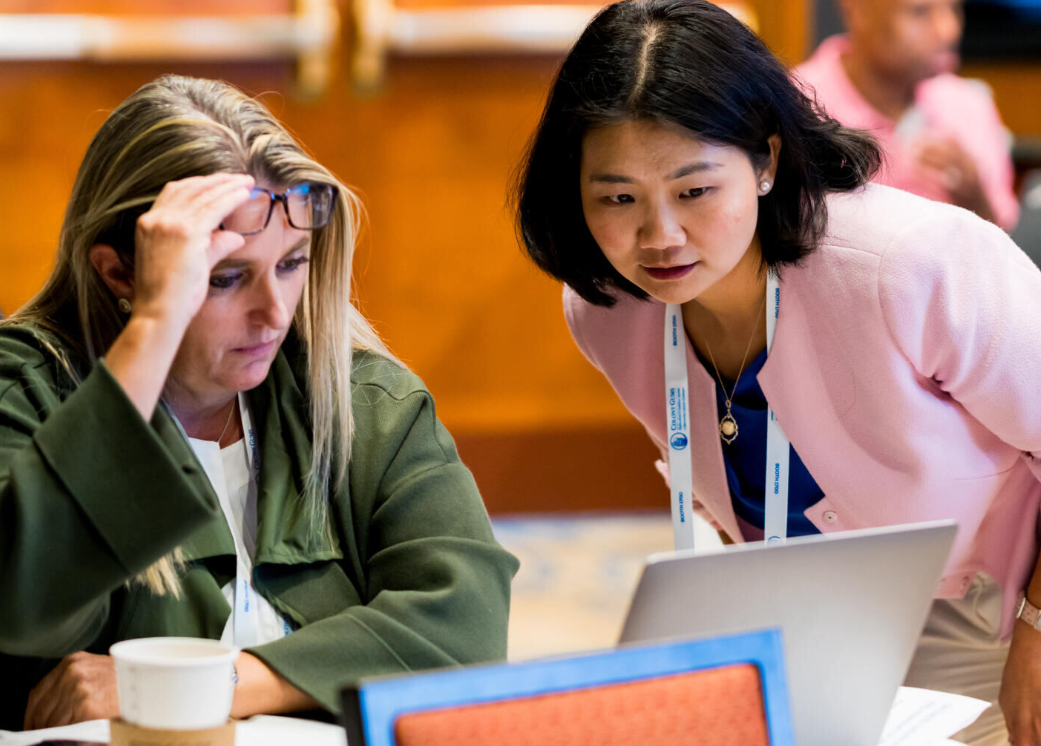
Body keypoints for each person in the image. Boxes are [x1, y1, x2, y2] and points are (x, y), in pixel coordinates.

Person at [514, 1, 1041, 743]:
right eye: (617, 198)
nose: (658, 236)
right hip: (816, 618)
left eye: (694, 191)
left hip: (998, 610)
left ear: (764, 160)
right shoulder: (605, 310)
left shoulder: (908, 265)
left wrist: (1037, 632)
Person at [0, 75, 518, 731]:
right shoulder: (26, 386)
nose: (273, 312)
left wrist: (213, 684)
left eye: (292, 263)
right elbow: (24, 601)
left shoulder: (363, 396)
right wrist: (155, 327)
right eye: (224, 278)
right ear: (118, 274)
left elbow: (466, 632)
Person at [795, 0, 1019, 230]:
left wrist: (974, 198)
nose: (949, 30)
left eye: (954, 9)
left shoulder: (969, 104)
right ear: (859, 10)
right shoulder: (795, 107)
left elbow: (1005, 242)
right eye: (920, 12)